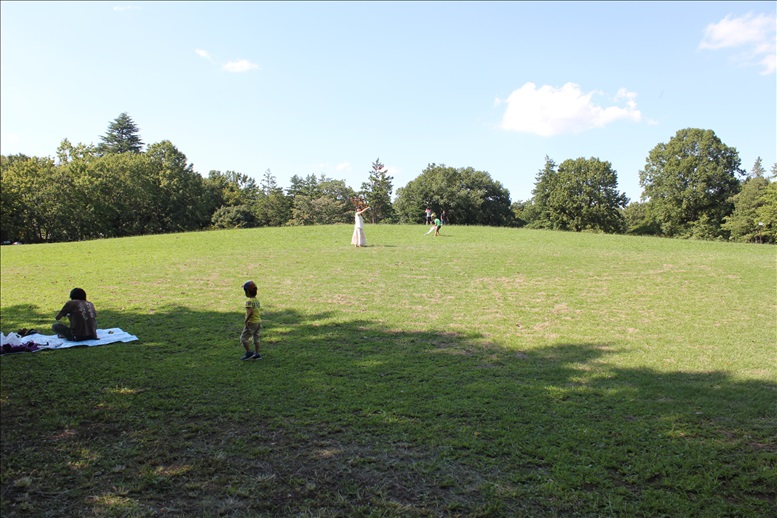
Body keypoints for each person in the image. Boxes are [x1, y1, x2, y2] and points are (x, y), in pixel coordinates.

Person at [240, 280, 262, 361]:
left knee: (243, 338)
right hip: (258, 322)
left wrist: (246, 320)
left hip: (251, 322)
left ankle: (249, 352)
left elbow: (251, 311)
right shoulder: (256, 300)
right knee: (256, 338)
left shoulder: (249, 301)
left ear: (248, 292)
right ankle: (257, 354)